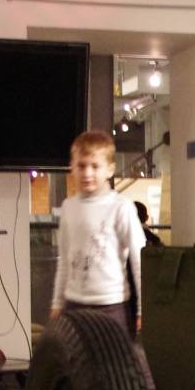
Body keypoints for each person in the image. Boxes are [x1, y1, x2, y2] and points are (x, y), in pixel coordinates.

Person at [48, 130, 145, 337]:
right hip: (74, 305)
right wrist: (58, 302)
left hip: (111, 306)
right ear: (72, 167)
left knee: (113, 359)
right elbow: (64, 260)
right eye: (81, 166)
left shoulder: (121, 207)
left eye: (95, 166)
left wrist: (142, 309)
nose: (87, 173)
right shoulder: (68, 207)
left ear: (110, 169)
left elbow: (139, 258)